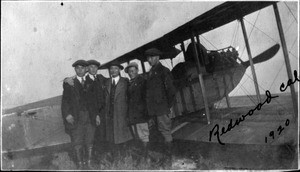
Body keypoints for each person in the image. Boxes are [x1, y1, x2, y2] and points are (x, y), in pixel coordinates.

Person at [61, 60, 101, 169]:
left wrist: (96, 115)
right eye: (77, 68)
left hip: (90, 116)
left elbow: (95, 101)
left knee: (90, 139)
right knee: (77, 140)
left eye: (82, 68)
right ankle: (80, 164)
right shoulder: (69, 83)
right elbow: (65, 101)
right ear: (75, 69)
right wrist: (67, 114)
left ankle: (89, 162)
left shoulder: (91, 81)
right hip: (76, 117)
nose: (80, 70)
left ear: (86, 69)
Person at [144, 48, 176, 165]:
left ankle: (168, 159)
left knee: (165, 132)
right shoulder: (151, 72)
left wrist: (169, 106)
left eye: (151, 57)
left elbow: (171, 91)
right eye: (148, 58)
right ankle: (162, 157)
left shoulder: (164, 71)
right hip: (153, 110)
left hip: (162, 108)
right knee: (158, 133)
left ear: (157, 57)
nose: (149, 60)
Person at [103, 62, 133, 157]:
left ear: (119, 70)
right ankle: (116, 156)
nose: (113, 70)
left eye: (116, 68)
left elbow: (130, 97)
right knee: (112, 136)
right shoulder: (107, 82)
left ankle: (125, 155)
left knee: (123, 134)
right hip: (110, 114)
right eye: (111, 68)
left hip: (122, 113)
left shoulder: (125, 81)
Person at [125, 62, 149, 158]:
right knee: (137, 135)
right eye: (129, 72)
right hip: (133, 114)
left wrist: (145, 112)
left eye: (133, 71)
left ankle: (145, 156)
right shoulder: (130, 83)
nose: (131, 73)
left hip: (141, 113)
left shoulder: (142, 81)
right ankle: (143, 155)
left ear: (137, 71)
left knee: (143, 135)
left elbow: (146, 97)